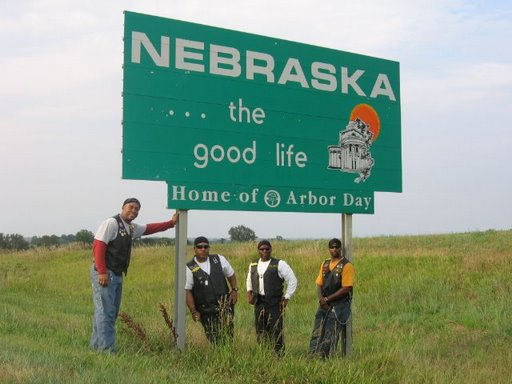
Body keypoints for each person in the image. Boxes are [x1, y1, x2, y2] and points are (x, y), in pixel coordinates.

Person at [90, 197, 178, 352]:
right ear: (122, 207)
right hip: (105, 274)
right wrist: (102, 272)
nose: (134, 211)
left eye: (137, 209)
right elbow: (98, 246)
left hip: (117, 274)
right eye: (131, 207)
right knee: (106, 312)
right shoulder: (111, 223)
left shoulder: (130, 228)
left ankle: (96, 347)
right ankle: (106, 351)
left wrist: (171, 223)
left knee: (109, 312)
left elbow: (150, 228)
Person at [246, 240, 297, 355]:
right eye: (262, 249)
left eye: (267, 249)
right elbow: (249, 279)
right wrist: (249, 292)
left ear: (271, 250)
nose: (265, 251)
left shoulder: (279, 264)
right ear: (258, 250)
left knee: (276, 330)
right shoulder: (253, 264)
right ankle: (264, 354)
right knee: (260, 330)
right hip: (259, 302)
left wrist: (286, 297)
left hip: (275, 302)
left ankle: (279, 356)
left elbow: (293, 280)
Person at [185, 236, 238, 344]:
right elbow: (188, 291)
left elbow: (231, 274)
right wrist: (194, 311)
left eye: (206, 246)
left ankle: (228, 358)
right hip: (206, 310)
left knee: (229, 336)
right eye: (199, 247)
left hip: (225, 306)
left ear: (209, 248)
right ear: (194, 249)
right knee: (214, 338)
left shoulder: (218, 259)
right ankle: (218, 358)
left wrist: (234, 290)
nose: (203, 249)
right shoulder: (190, 267)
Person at [309, 238, 354, 358]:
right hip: (324, 305)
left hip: (339, 305)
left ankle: (326, 360)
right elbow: (318, 284)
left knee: (330, 334)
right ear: (328, 249)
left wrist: (327, 299)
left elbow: (346, 288)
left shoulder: (347, 265)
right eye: (332, 247)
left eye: (337, 247)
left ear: (340, 248)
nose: (334, 249)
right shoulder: (325, 264)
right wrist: (321, 300)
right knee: (317, 333)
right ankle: (313, 358)